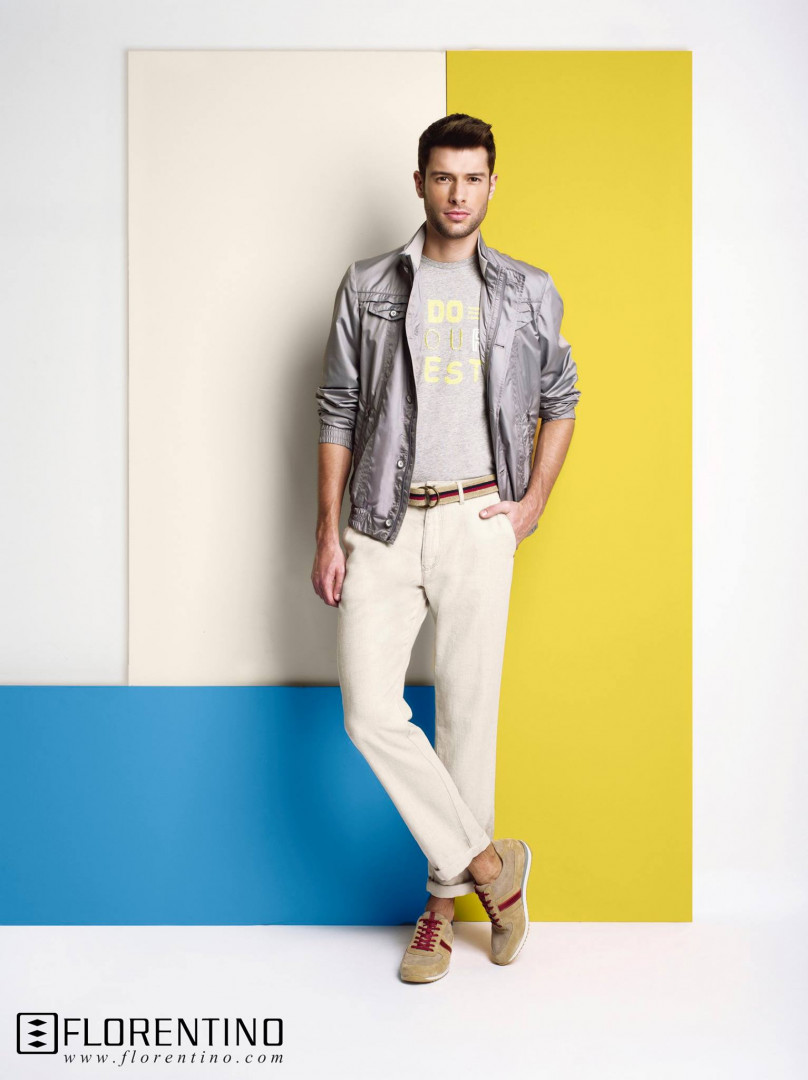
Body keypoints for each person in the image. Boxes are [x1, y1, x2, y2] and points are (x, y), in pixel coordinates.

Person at [311, 113, 581, 983]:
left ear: (492, 185)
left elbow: (562, 398)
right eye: (442, 177)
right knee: (369, 711)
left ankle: (438, 909)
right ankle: (495, 870)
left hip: (476, 521)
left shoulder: (528, 289)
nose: (457, 194)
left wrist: (531, 505)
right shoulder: (369, 285)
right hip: (382, 522)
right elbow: (338, 409)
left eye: (472, 178)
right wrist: (327, 529)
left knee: (468, 719)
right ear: (420, 183)